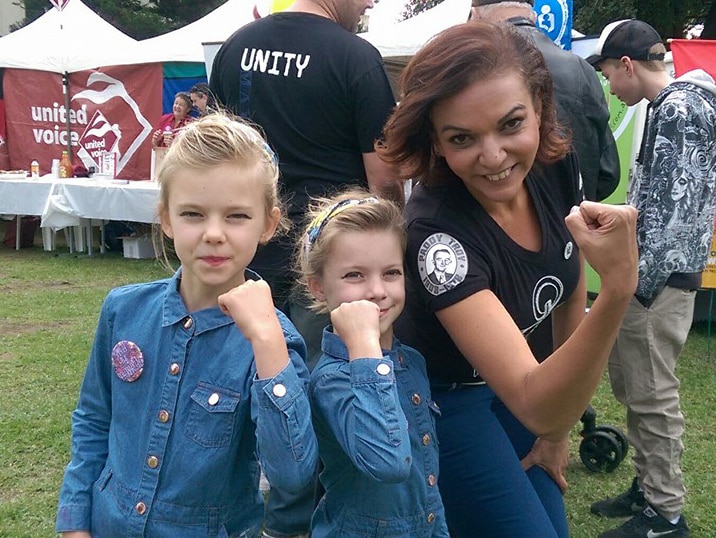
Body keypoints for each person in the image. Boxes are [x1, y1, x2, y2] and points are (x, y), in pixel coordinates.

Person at [376, 22, 639, 537]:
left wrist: (562, 428)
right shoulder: (436, 237)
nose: (493, 157)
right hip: (445, 399)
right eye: (462, 138)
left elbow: (564, 293)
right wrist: (618, 290)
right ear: (436, 140)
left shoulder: (556, 167)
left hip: (526, 385)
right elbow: (535, 401)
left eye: (511, 124)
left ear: (540, 106)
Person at [55, 114, 318, 537]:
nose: (214, 233)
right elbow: (93, 418)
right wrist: (74, 522)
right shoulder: (123, 310)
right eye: (193, 214)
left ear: (268, 224)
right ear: (166, 219)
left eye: (236, 216)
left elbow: (291, 474)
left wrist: (267, 343)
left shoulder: (276, 342)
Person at [210, 1, 402, 536]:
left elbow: (221, 154)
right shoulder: (356, 59)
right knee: (325, 390)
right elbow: (382, 180)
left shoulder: (234, 50)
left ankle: (258, 510)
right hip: (331, 260)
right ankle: (302, 518)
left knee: (247, 383)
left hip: (252, 251)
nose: (370, 3)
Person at [586, 19, 716, 538]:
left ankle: (665, 514)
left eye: (609, 77)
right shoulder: (680, 104)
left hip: (656, 281)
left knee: (652, 394)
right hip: (660, 275)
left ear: (627, 65)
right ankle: (649, 489)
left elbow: (670, 212)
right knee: (639, 388)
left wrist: (632, 276)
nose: (611, 90)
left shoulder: (678, 110)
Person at [296, 190, 449, 537]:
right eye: (354, 275)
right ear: (318, 287)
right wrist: (366, 346)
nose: (377, 290)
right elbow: (387, 462)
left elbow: (426, 481)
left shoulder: (410, 362)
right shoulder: (331, 379)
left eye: (391, 272)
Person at [470, 0, 621, 203]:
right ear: (532, 15)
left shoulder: (475, 70)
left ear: (474, 16)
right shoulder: (581, 69)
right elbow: (608, 174)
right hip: (577, 220)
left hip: (495, 225)